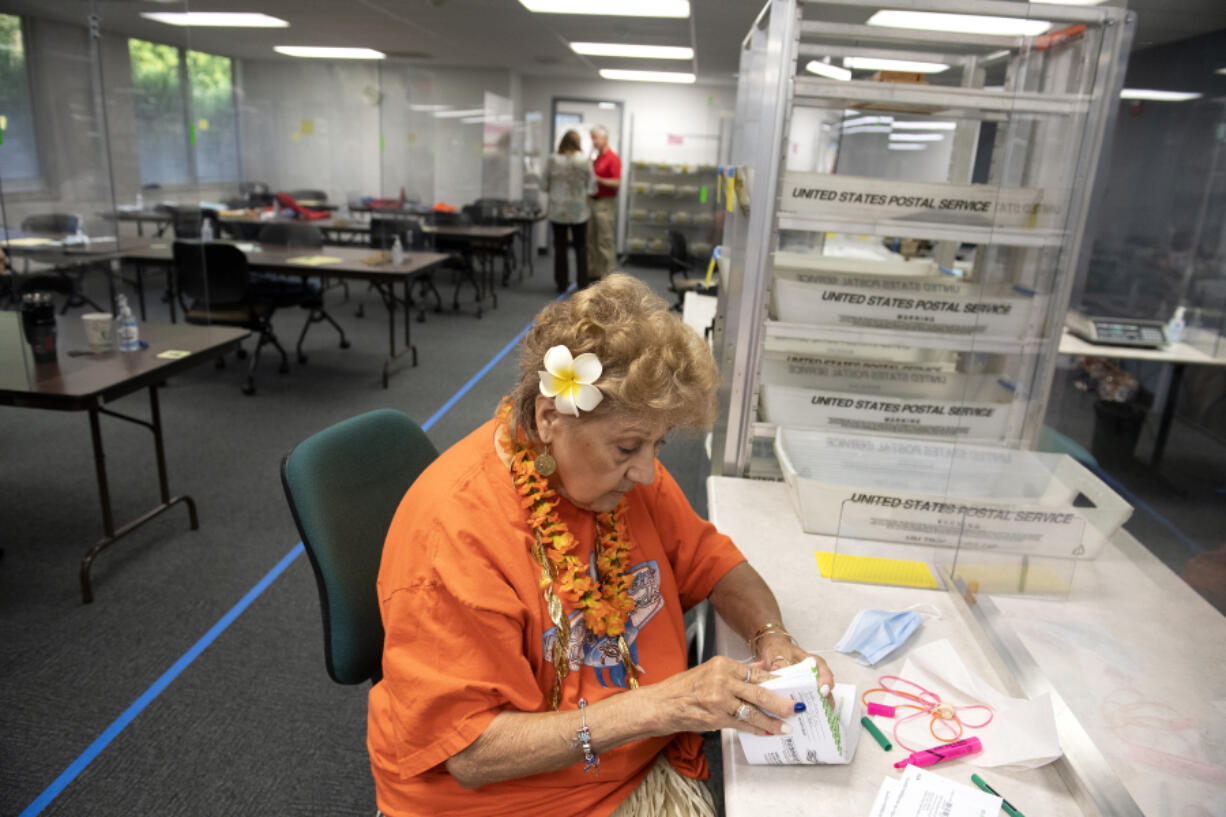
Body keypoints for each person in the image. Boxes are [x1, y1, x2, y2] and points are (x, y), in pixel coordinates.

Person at [368, 275, 835, 817]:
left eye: (657, 444)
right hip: (514, 801)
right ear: (550, 419)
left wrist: (772, 637)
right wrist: (663, 706)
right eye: (629, 447)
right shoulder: (456, 536)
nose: (647, 471)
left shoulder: (619, 478)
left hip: (629, 760)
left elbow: (717, 566)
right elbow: (470, 755)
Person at [544, 130, 597, 293]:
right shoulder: (583, 161)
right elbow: (593, 186)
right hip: (578, 209)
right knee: (581, 246)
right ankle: (583, 283)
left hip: (558, 209)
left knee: (560, 247)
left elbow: (543, 183)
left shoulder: (553, 160)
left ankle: (561, 282)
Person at [587, 125, 621, 282]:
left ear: (605, 138)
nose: (593, 141)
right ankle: (594, 273)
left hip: (605, 204)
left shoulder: (612, 158)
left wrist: (597, 179)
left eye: (596, 138)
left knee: (604, 241)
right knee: (591, 239)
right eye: (592, 138)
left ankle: (609, 278)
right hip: (592, 202)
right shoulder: (597, 158)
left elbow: (616, 182)